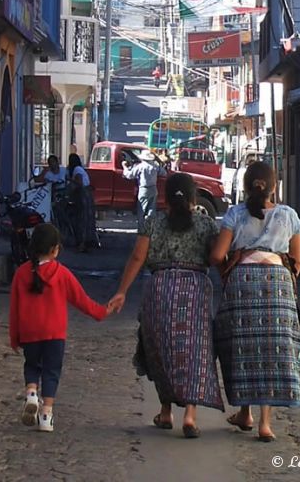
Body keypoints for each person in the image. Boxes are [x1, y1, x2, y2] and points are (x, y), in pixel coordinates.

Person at [108, 173, 223, 438]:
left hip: (159, 288)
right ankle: (191, 416)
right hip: (195, 290)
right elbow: (218, 258)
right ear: (194, 197)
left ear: (165, 197)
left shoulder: (153, 222)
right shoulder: (206, 224)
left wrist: (122, 291)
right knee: (194, 350)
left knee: (161, 349)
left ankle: (166, 411)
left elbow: (138, 257)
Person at [210, 160, 300, 442]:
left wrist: (228, 269)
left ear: (246, 186)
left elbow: (216, 256)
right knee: (272, 349)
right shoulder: (288, 216)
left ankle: (244, 412)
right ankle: (265, 423)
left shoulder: (234, 215)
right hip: (277, 282)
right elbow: (298, 262)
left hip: (242, 280)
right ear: (274, 186)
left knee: (242, 346)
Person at [9, 223, 113, 432]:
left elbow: (14, 308)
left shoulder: (21, 273)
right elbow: (82, 301)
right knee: (51, 371)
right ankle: (46, 414)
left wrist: (15, 337)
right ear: (55, 249)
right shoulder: (62, 274)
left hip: (30, 332)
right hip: (55, 334)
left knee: (32, 366)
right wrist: (103, 311)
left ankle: (31, 393)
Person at [67, 153, 98, 252]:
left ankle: (82, 243)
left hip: (82, 195)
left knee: (82, 219)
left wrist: (70, 180)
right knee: (87, 219)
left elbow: (79, 183)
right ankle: (88, 242)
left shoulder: (76, 170)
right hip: (87, 195)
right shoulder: (80, 169)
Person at [122, 149, 160, 228]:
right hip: (154, 189)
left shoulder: (141, 166)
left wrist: (124, 167)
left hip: (144, 189)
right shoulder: (155, 166)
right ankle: (150, 227)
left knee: (142, 209)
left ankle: (142, 229)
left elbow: (129, 175)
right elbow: (164, 173)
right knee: (151, 209)